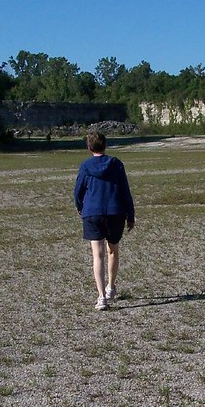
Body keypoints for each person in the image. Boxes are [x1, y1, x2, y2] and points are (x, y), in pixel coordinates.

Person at [74, 131, 135, 310]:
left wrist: (80, 206)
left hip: (92, 213)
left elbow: (78, 191)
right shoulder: (116, 164)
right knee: (113, 251)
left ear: (89, 147)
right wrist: (130, 215)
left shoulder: (85, 166)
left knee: (97, 255)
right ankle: (111, 287)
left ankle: (101, 297)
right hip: (115, 212)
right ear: (105, 145)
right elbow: (125, 191)